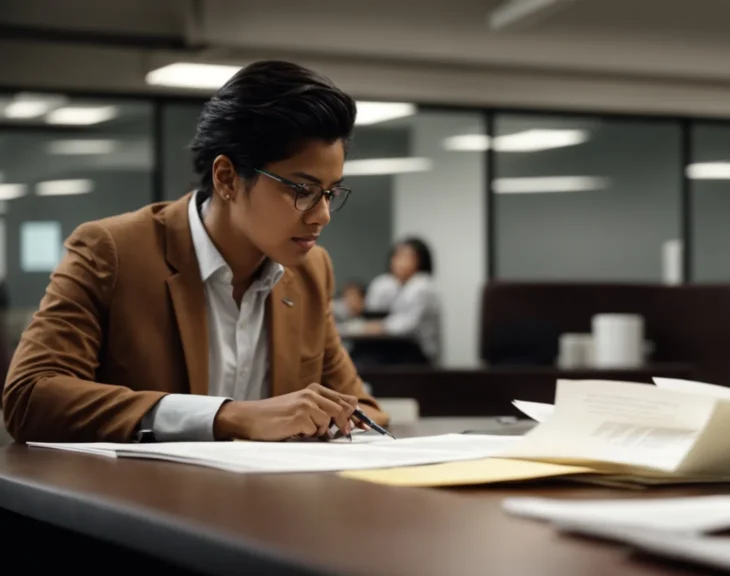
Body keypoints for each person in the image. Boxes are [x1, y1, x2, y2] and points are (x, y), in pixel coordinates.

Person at [2, 60, 388, 443]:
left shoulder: (310, 270)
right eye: (302, 190)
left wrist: (324, 421)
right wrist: (227, 416)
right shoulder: (112, 251)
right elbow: (29, 396)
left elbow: (364, 413)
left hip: (270, 484)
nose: (322, 215)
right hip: (143, 484)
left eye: (330, 193)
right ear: (227, 178)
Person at [363, 237, 442, 363]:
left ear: (420, 261)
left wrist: (382, 327)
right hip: (404, 347)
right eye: (396, 256)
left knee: (366, 359)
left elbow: (409, 325)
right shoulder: (400, 285)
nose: (396, 262)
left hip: (419, 353)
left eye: (404, 256)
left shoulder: (421, 286)